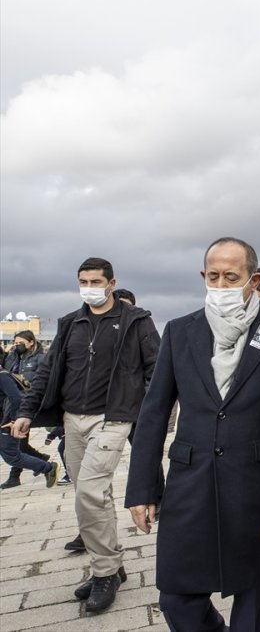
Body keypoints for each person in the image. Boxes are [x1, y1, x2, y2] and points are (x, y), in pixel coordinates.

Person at [125, 237, 260, 632]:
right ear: (204, 276)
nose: (220, 284)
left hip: (257, 486)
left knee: (254, 604)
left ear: (252, 281)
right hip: (190, 482)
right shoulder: (180, 331)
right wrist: (141, 487)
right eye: (213, 276)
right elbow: (153, 412)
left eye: (231, 276)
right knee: (175, 598)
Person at [11, 257, 160, 614]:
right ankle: (113, 564)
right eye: (83, 280)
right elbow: (48, 371)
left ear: (111, 283)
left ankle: (104, 572)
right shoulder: (70, 323)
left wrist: (142, 409)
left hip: (112, 418)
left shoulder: (136, 322)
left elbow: (156, 368)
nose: (89, 287)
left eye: (96, 281)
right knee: (92, 495)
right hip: (71, 418)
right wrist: (25, 412)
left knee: (90, 492)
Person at [1, 330, 51, 489]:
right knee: (20, 443)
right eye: (15, 343)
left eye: (20, 342)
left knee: (17, 442)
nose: (17, 345)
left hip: (28, 403)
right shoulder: (11, 358)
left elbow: (43, 380)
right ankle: (40, 460)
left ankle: (36, 467)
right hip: (11, 404)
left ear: (30, 342)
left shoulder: (39, 358)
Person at [1, 370, 59, 488]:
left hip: (8, 423)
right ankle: (42, 461)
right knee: (15, 452)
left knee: (12, 456)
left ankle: (48, 468)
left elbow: (16, 398)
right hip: (4, 421)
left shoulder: (2, 376)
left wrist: (13, 421)